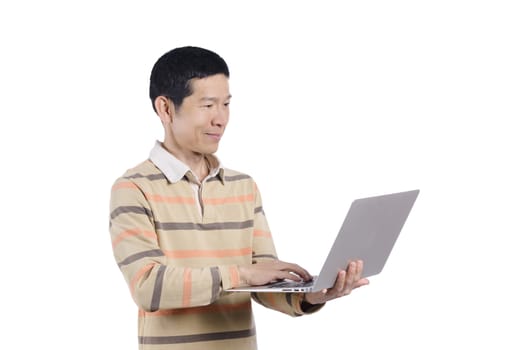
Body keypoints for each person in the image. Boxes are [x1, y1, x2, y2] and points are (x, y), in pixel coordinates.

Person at [109, 46, 369, 350]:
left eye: (226, 104)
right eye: (207, 105)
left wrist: (311, 295)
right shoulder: (133, 188)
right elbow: (148, 287)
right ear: (165, 108)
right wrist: (241, 273)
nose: (220, 119)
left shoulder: (243, 186)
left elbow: (264, 281)